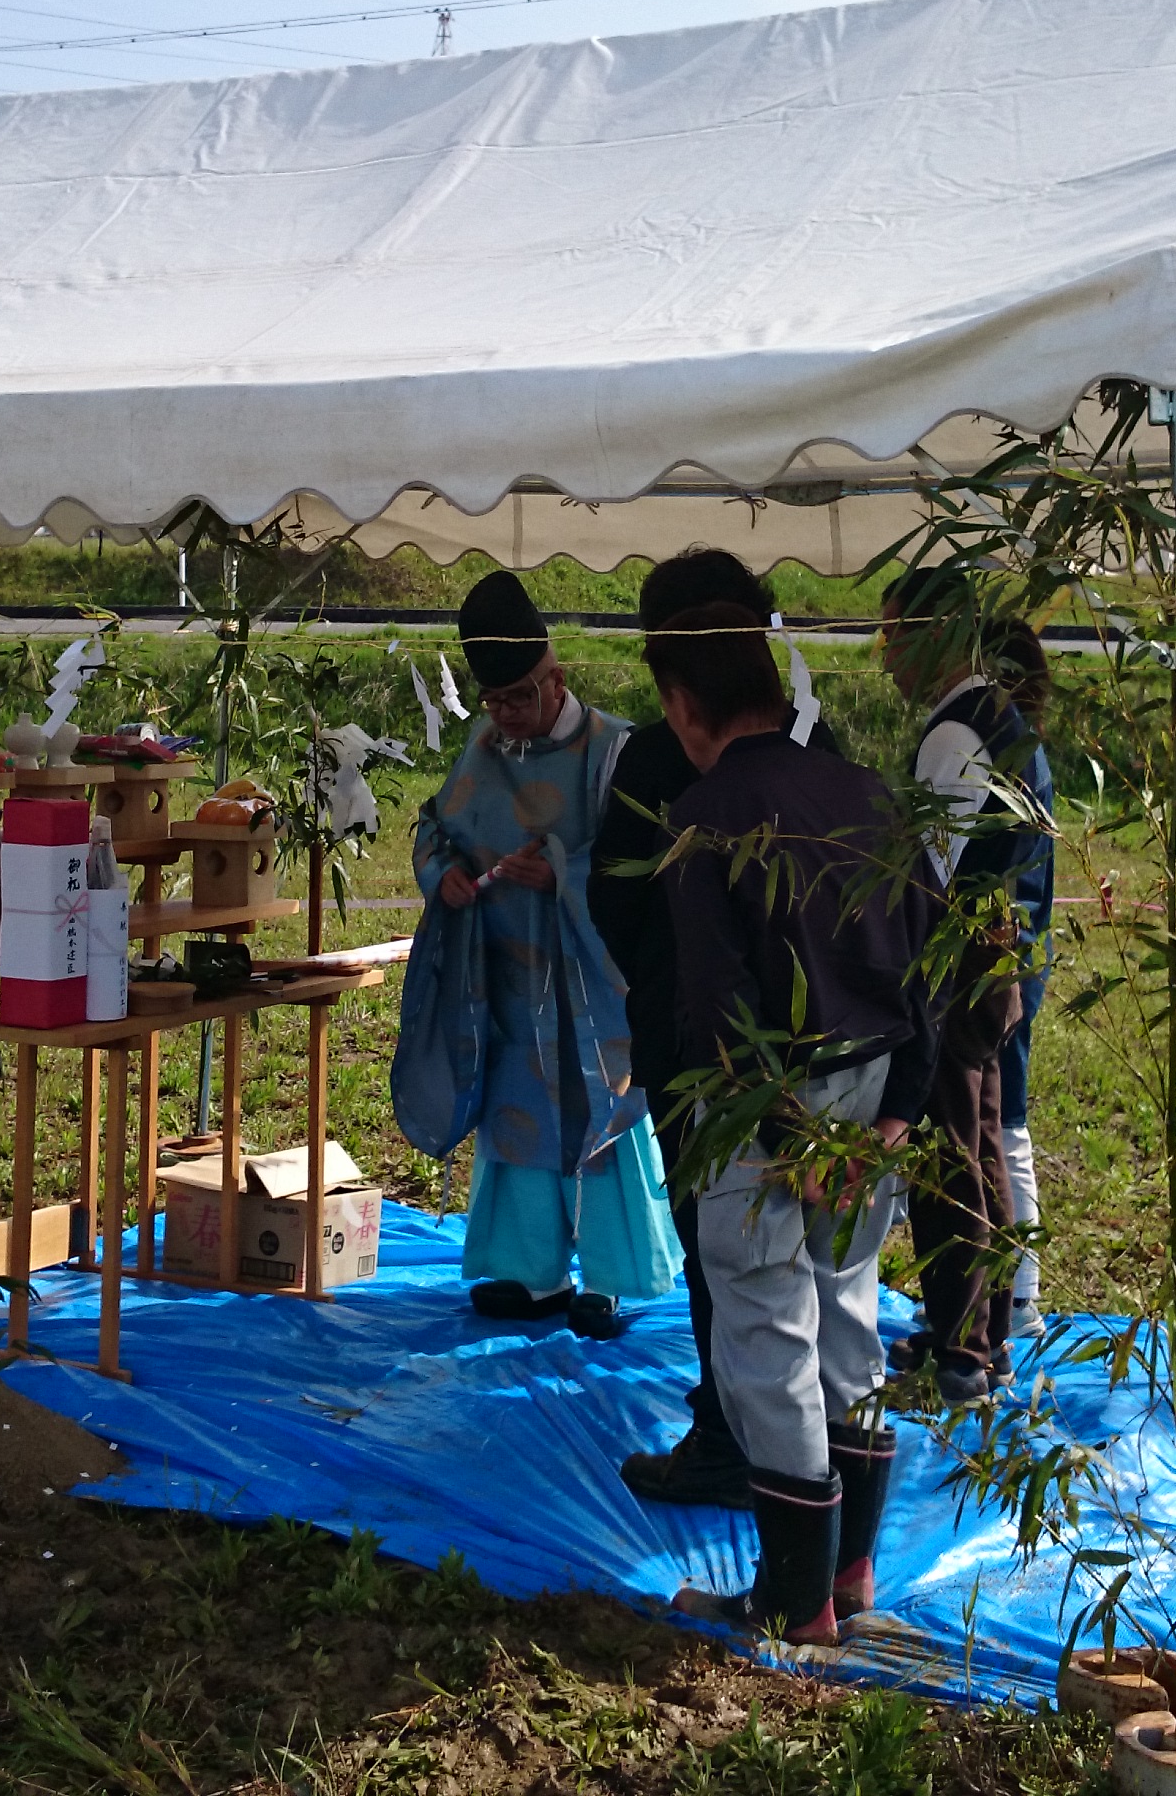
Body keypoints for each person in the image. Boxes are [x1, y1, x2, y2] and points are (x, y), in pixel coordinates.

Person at [649, 599, 934, 1646]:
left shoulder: (705, 819)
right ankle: (850, 1574)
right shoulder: (870, 795)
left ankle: (793, 1600)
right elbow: (933, 973)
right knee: (850, 1305)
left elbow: (722, 1014)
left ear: (681, 706)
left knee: (767, 1325)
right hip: (875, 1086)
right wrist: (895, 1120)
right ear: (776, 685)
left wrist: (782, 1137)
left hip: (771, 1104)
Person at [389, 569, 679, 1339]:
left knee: (601, 1111)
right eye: (494, 702)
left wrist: (563, 873)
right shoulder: (484, 748)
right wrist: (443, 875)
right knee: (515, 1112)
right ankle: (531, 1272)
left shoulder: (615, 749)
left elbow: (645, 859)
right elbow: (435, 825)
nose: (507, 715)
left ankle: (613, 1279)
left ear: (556, 678)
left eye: (519, 697)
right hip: (505, 976)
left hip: (590, 977)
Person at [592, 550, 782, 1511]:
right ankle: (801, 1444)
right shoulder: (816, 748)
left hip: (696, 1046)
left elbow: (614, 899)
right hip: (809, 1047)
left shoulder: (663, 761)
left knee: (719, 1247)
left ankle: (730, 1439)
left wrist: (662, 988)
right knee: (798, 1256)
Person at [878, 567, 1055, 1401]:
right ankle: (985, 1337)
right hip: (999, 957)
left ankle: (963, 1350)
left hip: (956, 964)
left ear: (937, 635)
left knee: (948, 1156)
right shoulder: (1001, 717)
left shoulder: (956, 733)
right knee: (978, 1143)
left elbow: (932, 873)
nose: (885, 659)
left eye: (893, 637)